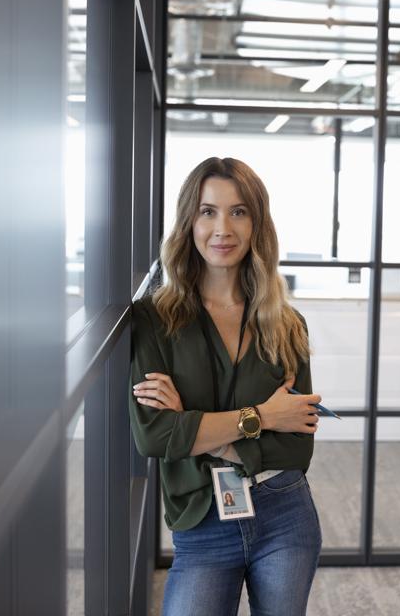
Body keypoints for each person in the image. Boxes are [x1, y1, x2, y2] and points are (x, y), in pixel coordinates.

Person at [129, 157, 323, 616]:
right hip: (202, 519)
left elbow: (297, 449)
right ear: (188, 222)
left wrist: (196, 429)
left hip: (284, 513)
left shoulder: (287, 324)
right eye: (207, 211)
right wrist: (264, 417)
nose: (223, 228)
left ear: (257, 223)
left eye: (239, 212)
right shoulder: (154, 321)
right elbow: (155, 436)